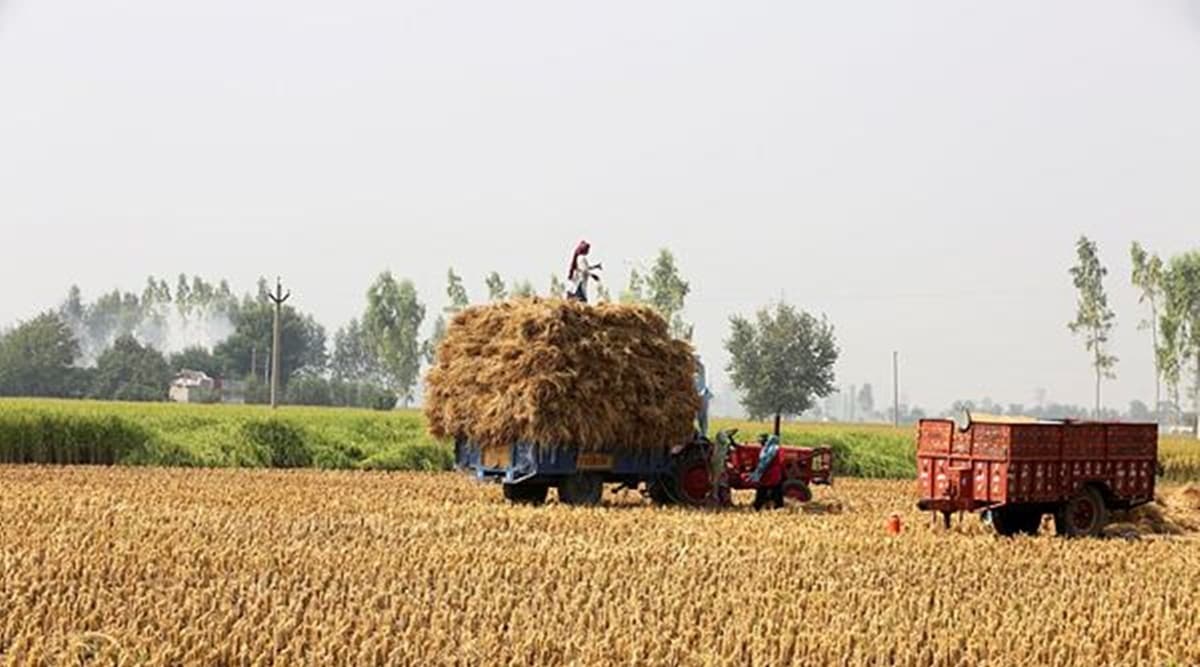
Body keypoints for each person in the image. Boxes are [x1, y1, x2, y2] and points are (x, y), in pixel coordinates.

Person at [694, 355, 713, 439]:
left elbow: (702, 386)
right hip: (694, 398)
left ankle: (703, 434)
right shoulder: (690, 373)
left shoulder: (701, 370)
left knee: (703, 418)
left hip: (701, 397)